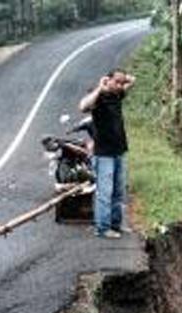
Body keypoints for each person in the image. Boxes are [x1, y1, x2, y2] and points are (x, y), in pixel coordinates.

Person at [79, 69, 135, 239]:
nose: (119, 85)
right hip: (103, 153)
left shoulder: (117, 95)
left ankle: (115, 224)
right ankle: (102, 228)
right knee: (105, 192)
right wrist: (100, 87)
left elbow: (132, 81)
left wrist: (127, 80)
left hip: (119, 150)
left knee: (118, 191)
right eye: (116, 82)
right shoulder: (99, 96)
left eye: (121, 83)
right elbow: (83, 106)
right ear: (107, 80)